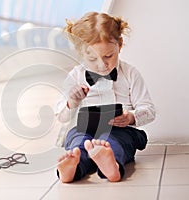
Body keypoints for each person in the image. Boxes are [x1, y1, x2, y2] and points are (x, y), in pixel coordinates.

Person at [55, 12, 156, 183]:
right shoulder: (76, 75)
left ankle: (112, 165)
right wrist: (72, 102)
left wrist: (131, 117)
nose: (102, 64)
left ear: (120, 45)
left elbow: (149, 110)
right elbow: (61, 116)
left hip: (119, 130)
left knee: (113, 141)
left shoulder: (130, 73)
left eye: (108, 56)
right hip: (84, 129)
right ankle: (72, 168)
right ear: (81, 52)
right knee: (79, 141)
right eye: (92, 58)